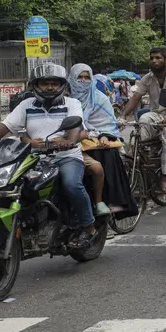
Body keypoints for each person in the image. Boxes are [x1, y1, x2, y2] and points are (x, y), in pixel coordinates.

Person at [0, 63, 97, 248]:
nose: (50, 87)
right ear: (35, 85)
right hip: (33, 159)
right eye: (45, 83)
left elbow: (75, 126)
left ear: (62, 85)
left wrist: (69, 141)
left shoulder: (72, 103)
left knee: (71, 184)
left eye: (54, 83)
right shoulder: (26, 105)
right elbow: (5, 126)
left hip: (65, 156)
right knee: (13, 188)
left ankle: (88, 227)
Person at [119, 47, 166, 192]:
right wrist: (122, 117)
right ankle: (141, 168)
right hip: (155, 115)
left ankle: (165, 177)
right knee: (142, 122)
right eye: (152, 58)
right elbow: (135, 98)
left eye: (158, 58)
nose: (154, 61)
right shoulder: (147, 78)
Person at [70, 64, 119, 217]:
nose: (83, 81)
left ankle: (103, 202)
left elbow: (108, 123)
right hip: (66, 142)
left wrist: (104, 135)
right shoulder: (64, 98)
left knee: (104, 157)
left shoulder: (99, 98)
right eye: (80, 77)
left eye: (87, 78)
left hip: (92, 141)